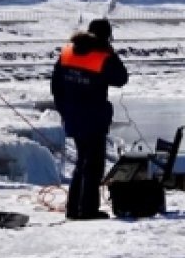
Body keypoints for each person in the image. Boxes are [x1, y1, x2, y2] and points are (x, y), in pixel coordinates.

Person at [50, 18, 128, 220]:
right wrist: (110, 52)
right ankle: (87, 210)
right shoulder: (103, 56)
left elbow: (55, 85)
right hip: (93, 116)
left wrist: (64, 110)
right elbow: (121, 78)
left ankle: (74, 208)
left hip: (73, 116)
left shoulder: (68, 53)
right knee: (93, 165)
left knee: (82, 163)